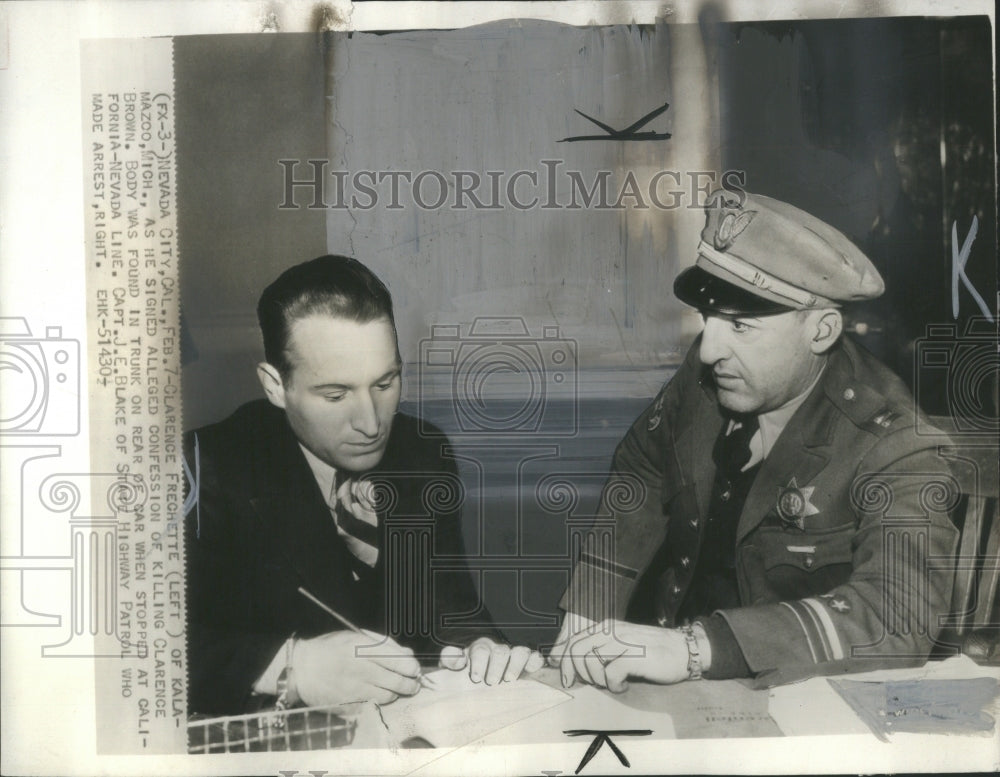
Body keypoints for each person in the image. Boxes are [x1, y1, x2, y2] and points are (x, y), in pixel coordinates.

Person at [550, 190, 960, 691]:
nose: (709, 351)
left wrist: (696, 647)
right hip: (675, 689)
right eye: (709, 321)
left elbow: (898, 616)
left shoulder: (894, 443)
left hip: (799, 704)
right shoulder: (717, 376)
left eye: (741, 325)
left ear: (822, 330)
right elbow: (643, 465)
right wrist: (593, 605)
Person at [185, 255, 541, 716]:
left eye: (385, 382)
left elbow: (452, 608)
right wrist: (295, 665)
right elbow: (144, 653)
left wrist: (480, 648)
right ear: (275, 386)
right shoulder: (203, 469)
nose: (371, 423)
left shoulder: (424, 451)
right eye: (335, 395)